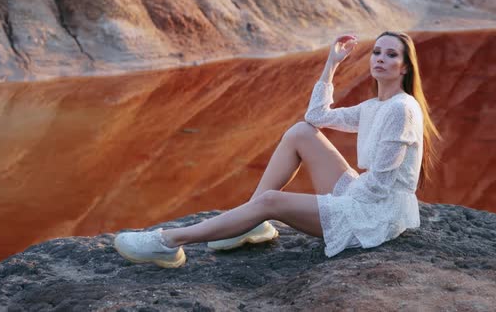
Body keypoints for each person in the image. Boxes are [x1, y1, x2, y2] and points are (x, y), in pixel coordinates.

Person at [114, 31, 441, 268]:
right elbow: (315, 118)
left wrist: (326, 203)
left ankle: (169, 242)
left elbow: (379, 187)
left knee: (272, 202)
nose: (381, 59)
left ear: (405, 67)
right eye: (377, 52)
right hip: (364, 197)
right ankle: (253, 219)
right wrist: (331, 64)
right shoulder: (375, 105)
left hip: (375, 217)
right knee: (301, 132)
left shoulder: (401, 109)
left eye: (391, 55)